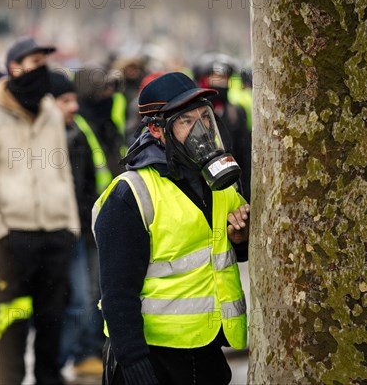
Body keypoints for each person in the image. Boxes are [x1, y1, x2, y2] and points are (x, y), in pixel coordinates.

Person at [93, 72, 251, 385]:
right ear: (156, 129)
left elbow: (221, 255)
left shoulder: (219, 182)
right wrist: (137, 368)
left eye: (204, 117)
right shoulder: (131, 194)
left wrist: (240, 240)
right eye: (186, 121)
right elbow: (117, 296)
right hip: (153, 357)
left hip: (208, 351)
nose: (201, 129)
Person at [0, 36, 80, 385]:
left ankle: (50, 379)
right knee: (14, 323)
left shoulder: (50, 113)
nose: (41, 70)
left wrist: (71, 226)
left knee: (52, 320)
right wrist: (0, 236)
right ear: (15, 68)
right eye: (34, 63)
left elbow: (63, 171)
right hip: (14, 239)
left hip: (56, 235)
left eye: (44, 62)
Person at [49, 71, 104, 377]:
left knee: (86, 299)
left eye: (73, 99)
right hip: (58, 236)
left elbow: (86, 186)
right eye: (65, 100)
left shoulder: (77, 134)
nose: (73, 106)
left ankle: (70, 358)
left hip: (83, 232)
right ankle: (55, 363)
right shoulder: (43, 140)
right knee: (72, 302)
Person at [193, 53, 252, 201]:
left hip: (232, 183)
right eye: (215, 77)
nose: (221, 83)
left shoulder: (236, 111)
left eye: (225, 78)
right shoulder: (192, 114)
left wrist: (246, 192)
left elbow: (244, 153)